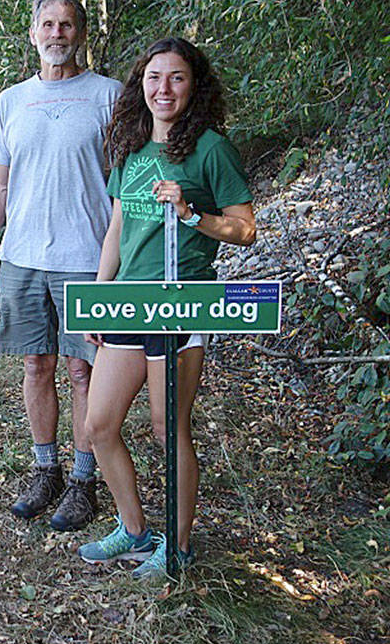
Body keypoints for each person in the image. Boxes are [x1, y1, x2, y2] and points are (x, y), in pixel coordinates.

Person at [75, 37, 256, 577]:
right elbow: (118, 228)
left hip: (181, 302)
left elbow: (245, 229)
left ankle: (177, 547)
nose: (164, 89)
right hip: (129, 302)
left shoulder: (211, 150)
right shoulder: (131, 147)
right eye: (154, 77)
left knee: (165, 427)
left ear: (193, 86)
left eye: (177, 78)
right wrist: (100, 299)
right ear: (141, 85)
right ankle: (134, 531)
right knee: (98, 424)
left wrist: (191, 214)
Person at [0, 0, 122, 531]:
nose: (57, 33)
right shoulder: (11, 101)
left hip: (86, 256)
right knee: (36, 365)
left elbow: (123, 186)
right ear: (33, 33)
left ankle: (83, 481)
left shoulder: (108, 95)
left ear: (80, 32)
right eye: (48, 24)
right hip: (23, 257)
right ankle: (46, 471)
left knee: (82, 371)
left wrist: (118, 263)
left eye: (66, 24)